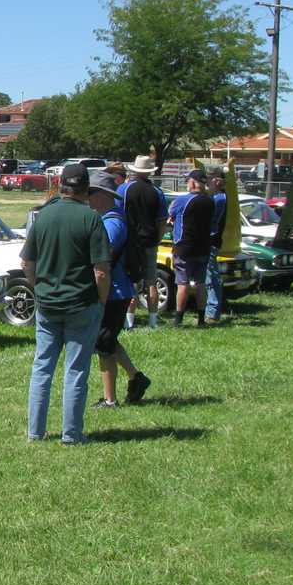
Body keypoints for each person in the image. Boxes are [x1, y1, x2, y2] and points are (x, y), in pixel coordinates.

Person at [21, 163, 111, 444]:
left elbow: (26, 262)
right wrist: (101, 301)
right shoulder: (91, 218)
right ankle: (71, 434)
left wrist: (40, 288)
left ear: (61, 185)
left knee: (42, 367)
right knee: (75, 371)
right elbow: (101, 271)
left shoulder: (43, 216)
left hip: (47, 305)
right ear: (86, 188)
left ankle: (35, 432)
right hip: (82, 304)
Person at [87, 171, 151, 407]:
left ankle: (109, 399)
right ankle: (136, 377)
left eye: (90, 192)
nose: (87, 197)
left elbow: (103, 257)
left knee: (104, 345)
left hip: (114, 292)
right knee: (108, 340)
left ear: (103, 195)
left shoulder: (112, 222)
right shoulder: (107, 217)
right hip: (115, 290)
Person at [119, 155, 167, 329]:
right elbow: (162, 220)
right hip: (150, 241)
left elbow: (118, 215)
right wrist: (157, 238)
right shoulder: (157, 192)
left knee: (131, 281)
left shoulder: (124, 190)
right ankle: (153, 321)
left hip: (129, 242)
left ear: (134, 170)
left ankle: (129, 321)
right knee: (151, 281)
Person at [167, 169, 215, 327]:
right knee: (200, 283)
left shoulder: (182, 200)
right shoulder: (210, 201)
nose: (187, 183)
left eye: (188, 180)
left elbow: (171, 213)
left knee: (183, 284)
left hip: (184, 246)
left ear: (193, 182)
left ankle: (178, 320)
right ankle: (201, 319)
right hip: (203, 247)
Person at [205, 166, 227, 323]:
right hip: (212, 240)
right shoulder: (217, 197)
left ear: (217, 180)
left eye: (209, 178)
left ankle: (212, 312)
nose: (207, 182)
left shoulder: (219, 198)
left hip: (211, 240)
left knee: (211, 276)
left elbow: (212, 222)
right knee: (209, 275)